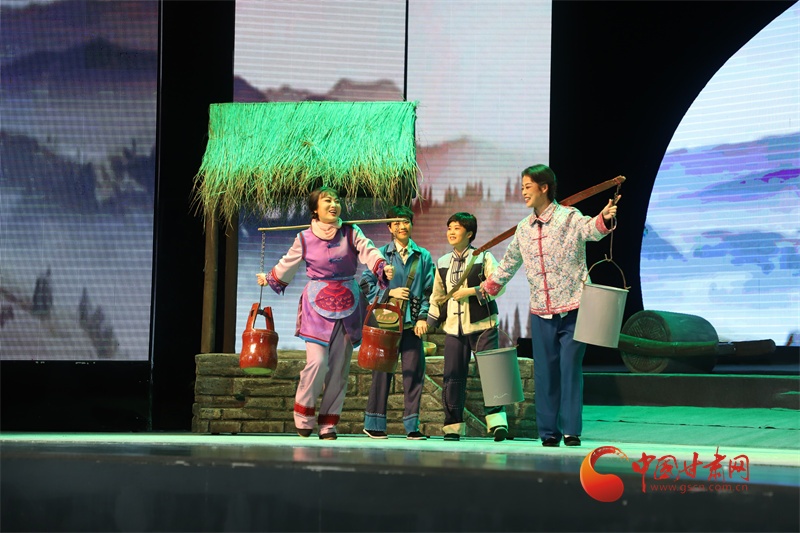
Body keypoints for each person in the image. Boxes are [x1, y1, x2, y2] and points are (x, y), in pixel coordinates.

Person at [480, 164, 620, 447]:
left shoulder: (569, 217)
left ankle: (570, 430)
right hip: (541, 311)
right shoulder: (523, 229)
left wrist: (604, 218)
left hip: (574, 306)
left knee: (569, 367)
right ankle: (548, 432)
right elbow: (509, 263)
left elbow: (591, 230)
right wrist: (487, 287)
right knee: (545, 372)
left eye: (527, 187)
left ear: (544, 187)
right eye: (521, 187)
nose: (523, 192)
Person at [257, 187, 394, 440]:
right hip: (316, 307)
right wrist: (269, 277)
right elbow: (288, 262)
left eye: (337, 200)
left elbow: (369, 250)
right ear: (315, 209)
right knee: (317, 362)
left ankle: (328, 424)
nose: (334, 204)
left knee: (339, 368)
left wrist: (381, 266)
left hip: (348, 305)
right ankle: (303, 415)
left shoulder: (351, 232)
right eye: (327, 200)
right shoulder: (304, 238)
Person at [426, 212, 509, 442]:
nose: (451, 232)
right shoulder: (443, 262)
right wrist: (429, 322)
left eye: (457, 228)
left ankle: (497, 422)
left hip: (483, 325)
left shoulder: (484, 257)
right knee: (452, 376)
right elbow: (437, 296)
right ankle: (452, 425)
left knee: (492, 372)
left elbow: (498, 285)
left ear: (469, 233)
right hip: (454, 327)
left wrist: (471, 292)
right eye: (449, 228)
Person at [360, 206, 435, 440]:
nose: (403, 226)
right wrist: (388, 293)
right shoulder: (380, 255)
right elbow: (364, 284)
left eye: (406, 222)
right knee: (381, 374)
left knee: (414, 374)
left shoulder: (423, 255)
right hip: (387, 324)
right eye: (397, 223)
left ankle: (412, 427)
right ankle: (374, 424)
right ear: (390, 228)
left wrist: (423, 317)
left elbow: (429, 290)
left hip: (412, 324)